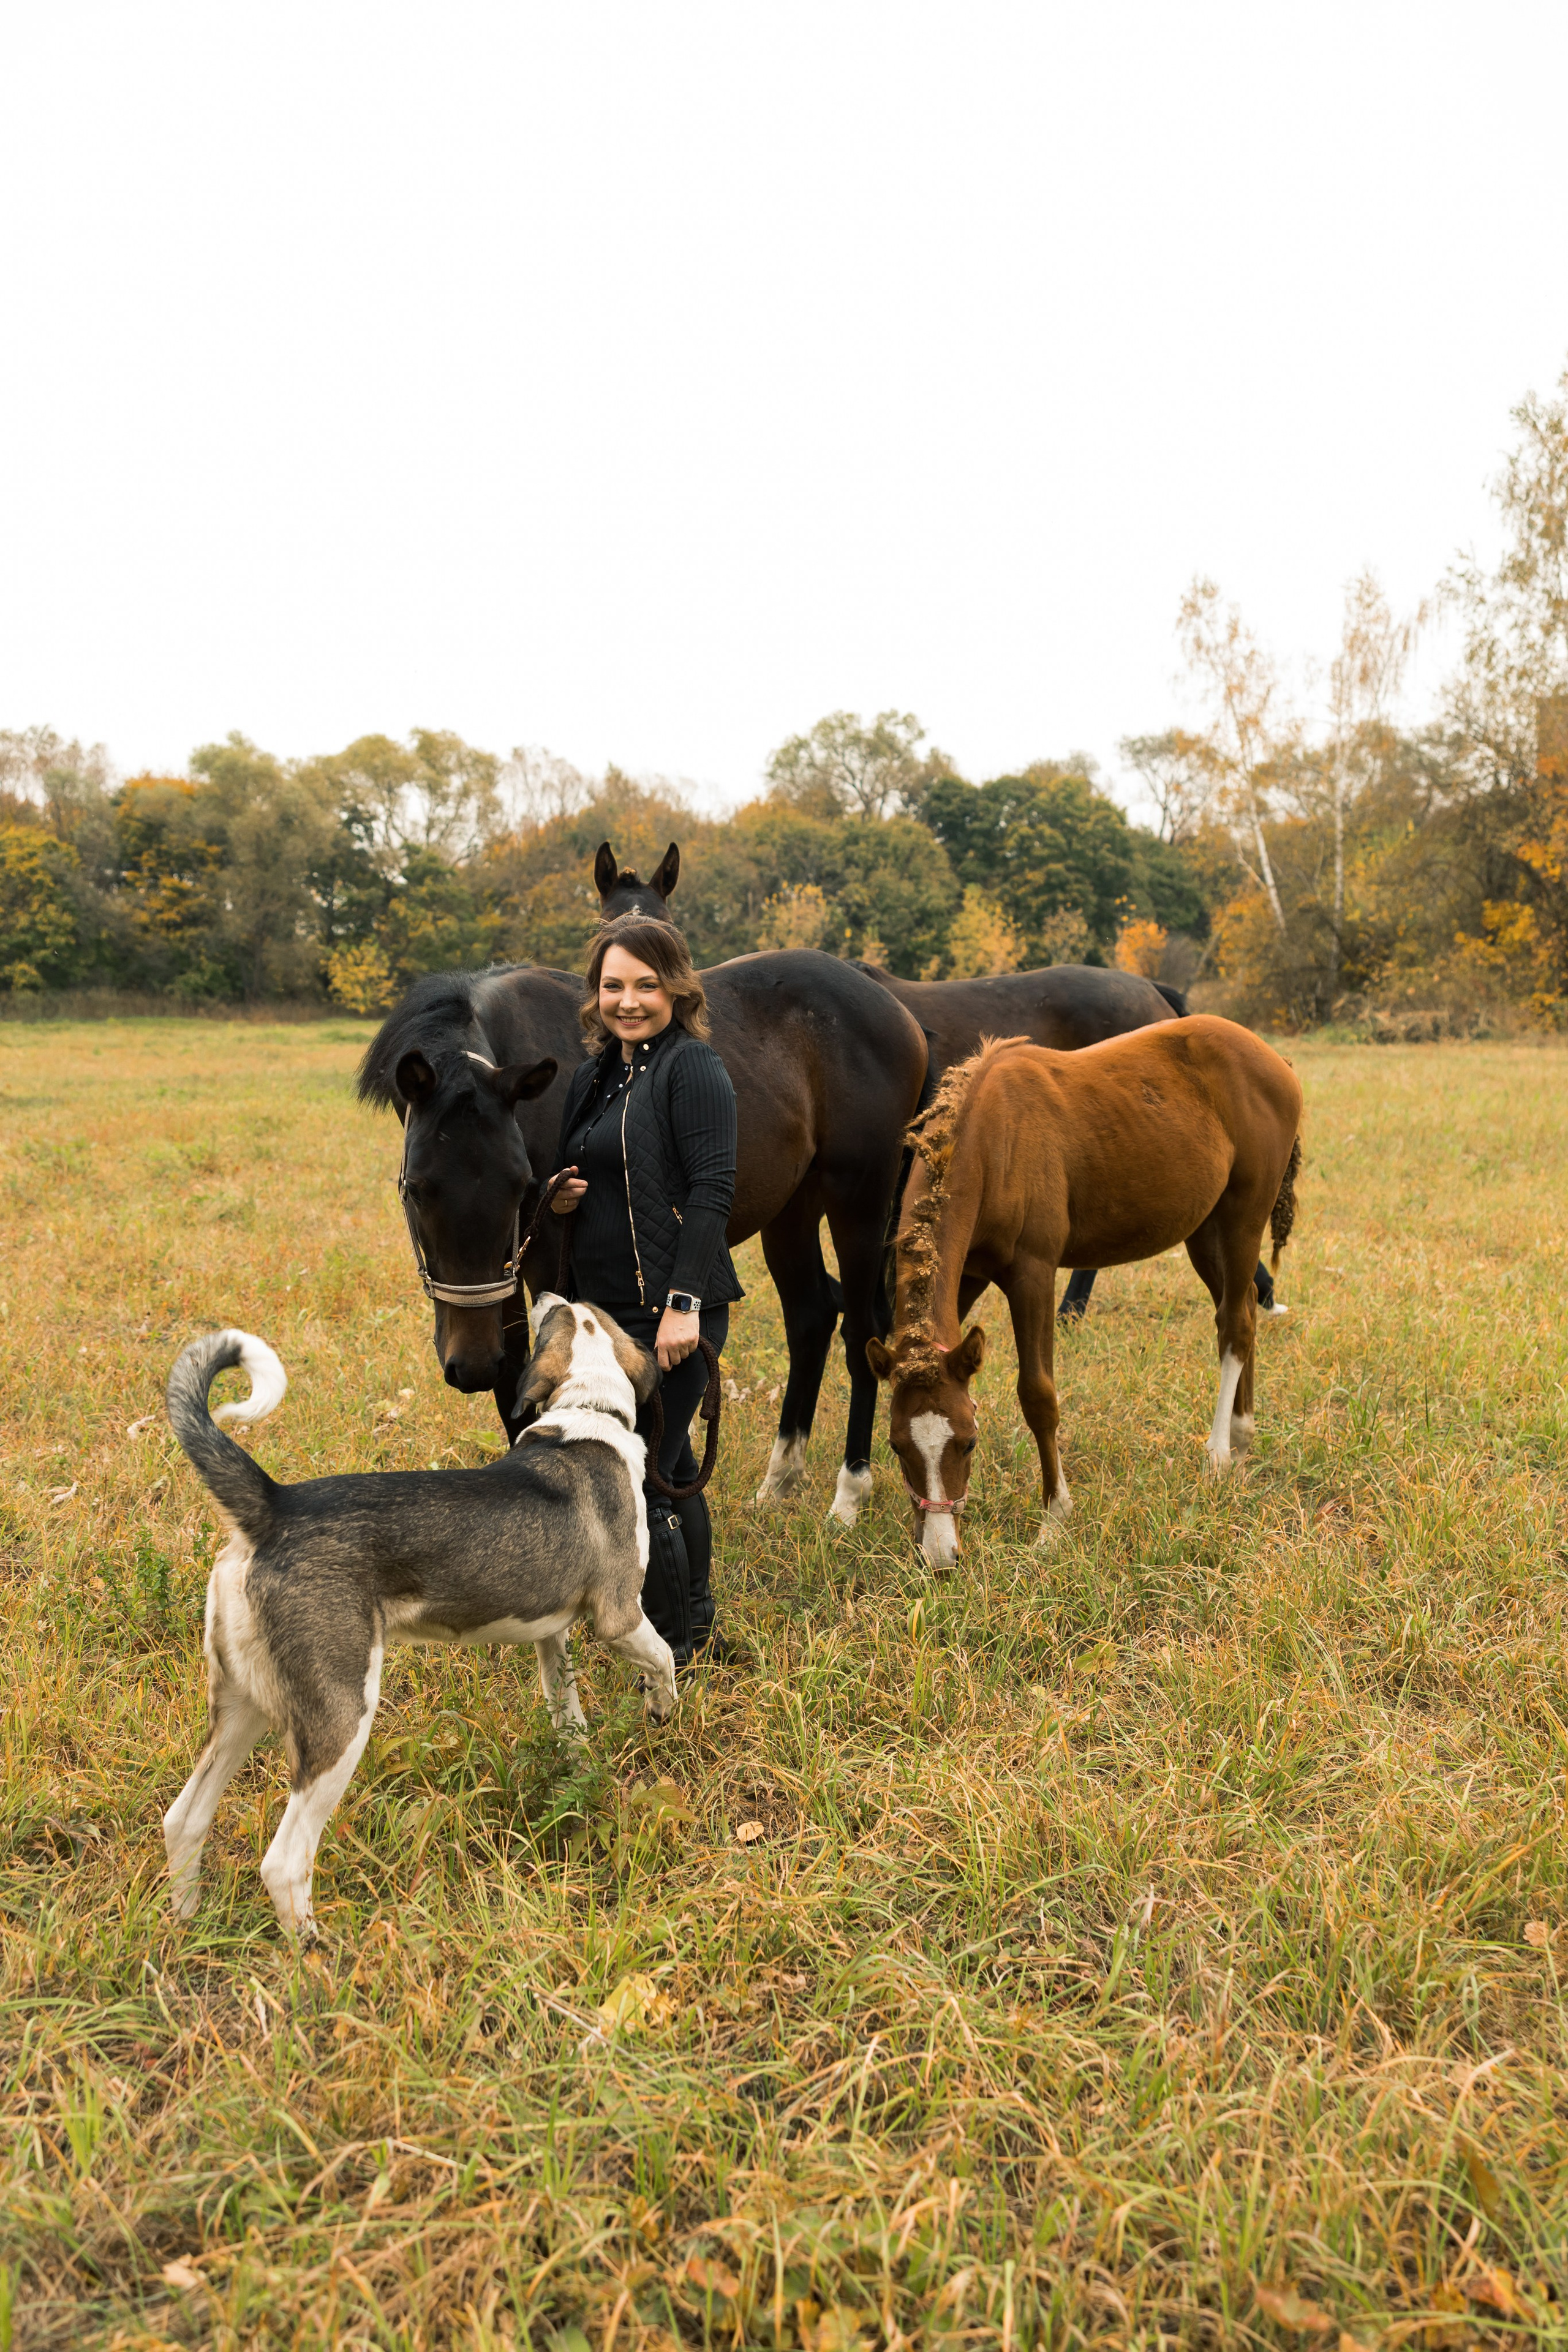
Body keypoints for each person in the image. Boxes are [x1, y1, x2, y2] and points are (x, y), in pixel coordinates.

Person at [549, 914, 741, 1667]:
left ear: (677, 988)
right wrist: (559, 1193)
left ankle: (677, 1652)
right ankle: (697, 1627)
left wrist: (683, 1303)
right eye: (612, 986)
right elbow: (592, 1168)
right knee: (675, 1466)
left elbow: (712, 1189)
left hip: (667, 1310)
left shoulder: (691, 1068)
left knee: (645, 1481)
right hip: (604, 1313)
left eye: (645, 985)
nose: (627, 1001)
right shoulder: (598, 1073)